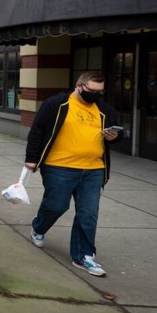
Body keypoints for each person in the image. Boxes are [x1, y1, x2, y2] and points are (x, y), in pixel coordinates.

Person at [24, 71, 122, 277]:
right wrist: (31, 158)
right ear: (79, 85)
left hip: (94, 169)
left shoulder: (105, 110)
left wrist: (113, 137)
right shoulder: (56, 104)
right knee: (56, 205)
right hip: (58, 166)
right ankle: (38, 227)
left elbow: (116, 138)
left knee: (88, 213)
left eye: (100, 92)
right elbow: (37, 130)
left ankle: (84, 256)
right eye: (91, 90)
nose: (95, 95)